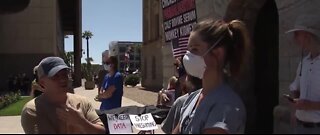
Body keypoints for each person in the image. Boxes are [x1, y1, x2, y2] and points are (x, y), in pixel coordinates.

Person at [172, 19, 251, 134]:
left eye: (195, 49)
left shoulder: (226, 105)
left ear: (217, 53)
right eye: (188, 49)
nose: (188, 56)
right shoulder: (193, 98)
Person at [21, 57, 105, 134]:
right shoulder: (32, 110)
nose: (62, 79)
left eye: (64, 74)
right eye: (55, 76)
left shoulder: (82, 101)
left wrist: (81, 122)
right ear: (42, 82)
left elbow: (102, 131)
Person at [287, 15, 320, 134]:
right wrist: (294, 108)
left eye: (297, 34)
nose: (295, 38)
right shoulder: (304, 63)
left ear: (307, 35)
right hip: (300, 127)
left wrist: (309, 105)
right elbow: (295, 87)